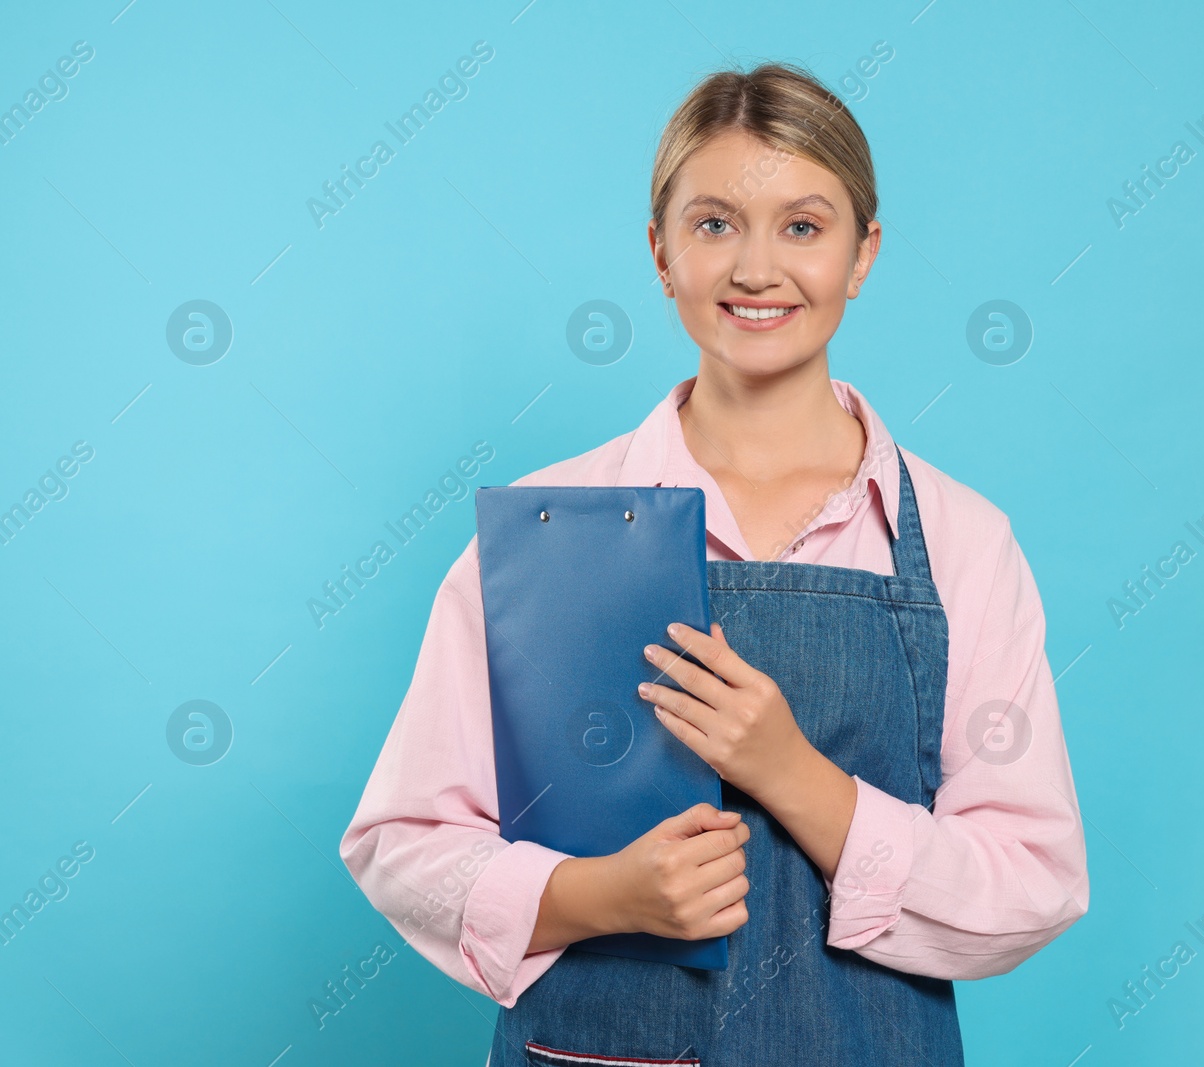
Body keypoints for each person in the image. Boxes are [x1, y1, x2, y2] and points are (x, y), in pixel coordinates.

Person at [340, 61, 1089, 1066]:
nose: (755, 268)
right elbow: (404, 838)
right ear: (659, 252)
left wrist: (791, 773)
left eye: (803, 225)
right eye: (713, 223)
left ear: (864, 253)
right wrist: (602, 895)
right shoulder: (547, 528)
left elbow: (1030, 879)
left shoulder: (963, 541)